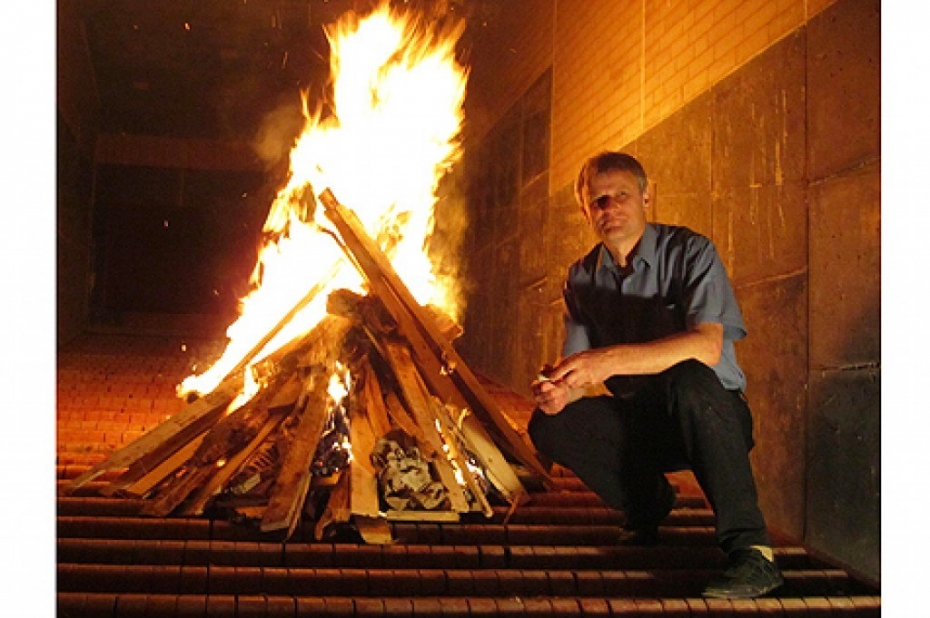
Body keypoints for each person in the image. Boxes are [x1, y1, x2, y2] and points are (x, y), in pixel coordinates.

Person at [527, 151, 783, 599]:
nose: (609, 208)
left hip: (708, 418)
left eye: (621, 195)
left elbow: (706, 345)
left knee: (690, 380)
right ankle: (646, 504)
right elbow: (578, 367)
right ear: (585, 210)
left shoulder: (691, 252)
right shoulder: (581, 278)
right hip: (641, 425)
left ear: (647, 196)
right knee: (549, 424)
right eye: (598, 200)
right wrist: (557, 391)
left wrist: (607, 362)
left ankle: (752, 551)